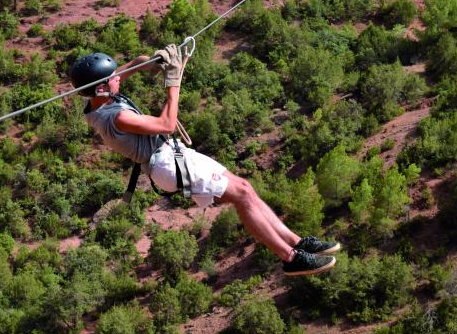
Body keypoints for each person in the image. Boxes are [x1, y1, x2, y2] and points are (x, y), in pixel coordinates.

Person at [70, 45, 339, 276]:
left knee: (245, 188)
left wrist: (154, 60)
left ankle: (297, 242)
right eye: (113, 78)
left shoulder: (97, 99)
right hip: (166, 164)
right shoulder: (116, 117)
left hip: (172, 155)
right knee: (242, 197)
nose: (118, 78)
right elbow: (167, 124)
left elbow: (132, 66)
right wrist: (173, 81)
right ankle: (290, 258)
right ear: (102, 88)